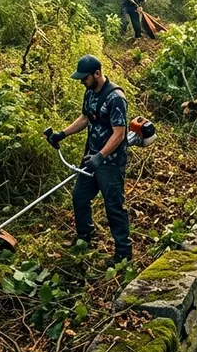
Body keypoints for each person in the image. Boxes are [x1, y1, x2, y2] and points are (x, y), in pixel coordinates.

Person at [46, 55, 132, 263]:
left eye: (84, 78)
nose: (82, 82)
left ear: (97, 73)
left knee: (114, 206)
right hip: (91, 157)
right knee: (80, 197)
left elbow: (119, 134)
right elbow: (85, 118)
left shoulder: (116, 98)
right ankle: (85, 236)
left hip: (110, 162)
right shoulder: (90, 92)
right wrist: (61, 134)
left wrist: (101, 157)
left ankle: (123, 253)